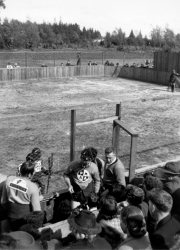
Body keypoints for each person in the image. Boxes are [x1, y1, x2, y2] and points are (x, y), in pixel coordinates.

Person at [1, 161, 41, 231]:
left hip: (11, 217)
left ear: (21, 170)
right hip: (24, 221)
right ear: (29, 174)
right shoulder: (33, 187)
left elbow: (3, 202)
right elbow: (37, 211)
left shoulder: (9, 179)